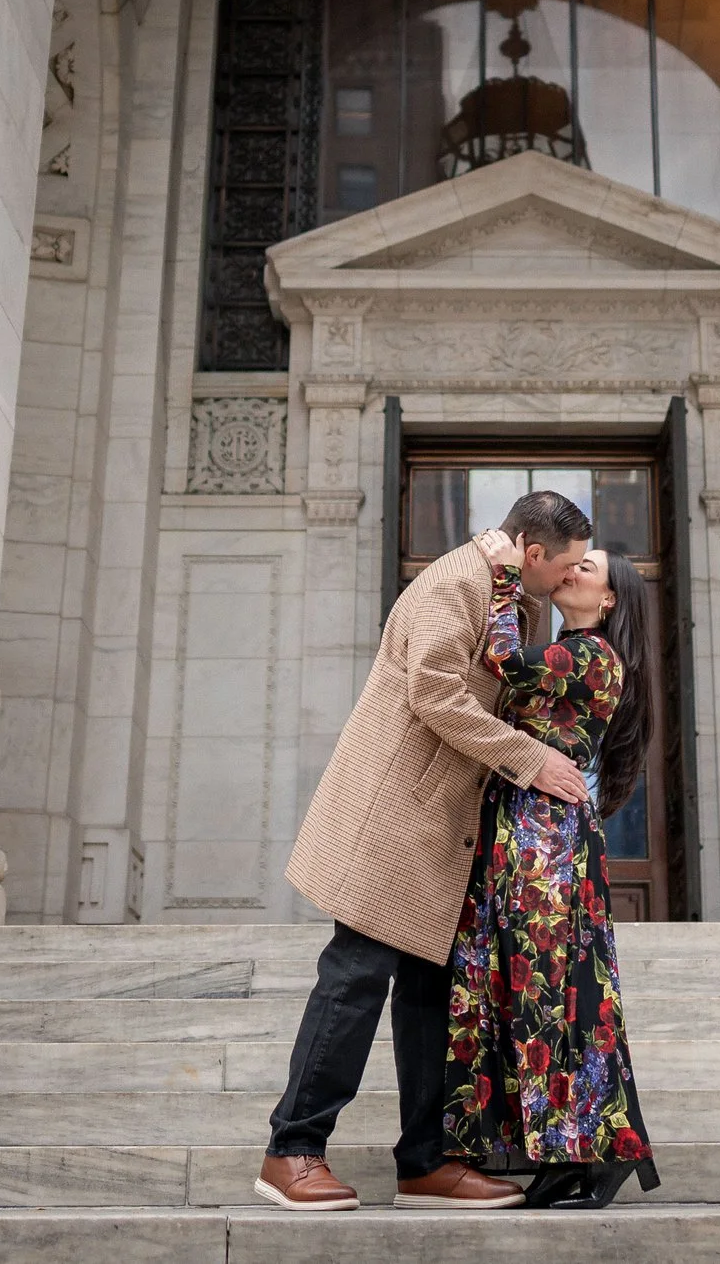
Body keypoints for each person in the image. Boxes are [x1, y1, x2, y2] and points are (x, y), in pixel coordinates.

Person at [255, 491, 598, 1213]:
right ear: (533, 552)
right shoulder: (454, 581)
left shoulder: (506, 589)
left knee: (430, 996)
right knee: (353, 978)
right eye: (563, 567)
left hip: (441, 830)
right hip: (395, 820)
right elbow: (437, 694)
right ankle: (291, 1149)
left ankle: (425, 1160)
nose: (566, 580)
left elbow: (503, 674)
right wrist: (530, 759)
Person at [443, 529, 661, 1209]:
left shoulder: (593, 654)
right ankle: (563, 1147)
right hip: (528, 829)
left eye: (586, 565)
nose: (571, 570)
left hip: (547, 841)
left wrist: (505, 576)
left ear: (610, 595)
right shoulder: (576, 649)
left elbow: (503, 662)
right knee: (531, 986)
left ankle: (590, 1147)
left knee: (549, 988)